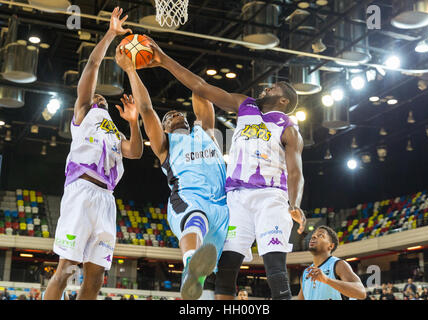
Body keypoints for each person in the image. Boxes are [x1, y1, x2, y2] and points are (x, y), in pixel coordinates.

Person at [139, 36, 306, 301]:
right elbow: (200, 87)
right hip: (236, 200)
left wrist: (294, 203)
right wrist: (162, 60)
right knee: (226, 274)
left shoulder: (288, 127)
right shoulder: (245, 105)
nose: (264, 89)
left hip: (270, 197)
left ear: (284, 101)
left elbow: (295, 170)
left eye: (272, 88)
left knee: (275, 269)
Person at [115, 48, 229, 300]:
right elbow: (146, 109)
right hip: (189, 199)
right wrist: (131, 70)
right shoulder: (165, 145)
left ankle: (199, 275)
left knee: (223, 277)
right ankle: (190, 267)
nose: (174, 115)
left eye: (178, 113)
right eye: (167, 117)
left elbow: (200, 90)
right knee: (195, 221)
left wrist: (176, 68)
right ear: (164, 128)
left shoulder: (206, 131)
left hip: (224, 207)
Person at [44, 7, 143, 300]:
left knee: (96, 276)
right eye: (95, 95)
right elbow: (92, 66)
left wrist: (134, 123)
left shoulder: (114, 132)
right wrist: (111, 34)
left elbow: (135, 153)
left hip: (106, 200)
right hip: (82, 190)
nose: (98, 96)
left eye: (102, 97)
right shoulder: (83, 114)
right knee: (65, 270)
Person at [297, 226, 366, 300]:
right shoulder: (306, 273)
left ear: (330, 246)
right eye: (314, 235)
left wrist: (327, 280)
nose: (313, 236)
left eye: (320, 235)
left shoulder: (338, 265)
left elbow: (361, 293)